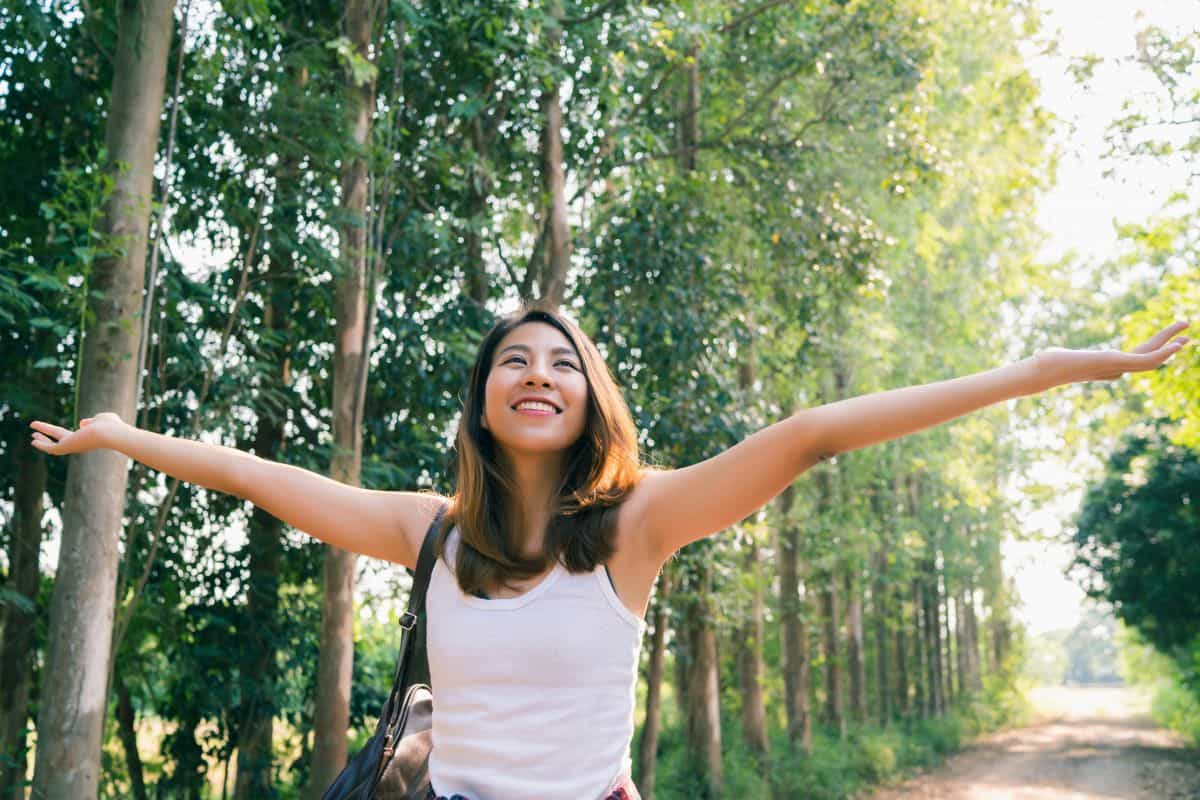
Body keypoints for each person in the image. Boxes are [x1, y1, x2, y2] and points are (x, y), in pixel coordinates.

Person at [29, 304, 1190, 800]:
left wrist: (1047, 368)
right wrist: (123, 435)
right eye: (515, 361)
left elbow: (812, 432)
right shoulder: (426, 530)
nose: (539, 373)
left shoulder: (637, 527)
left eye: (563, 361)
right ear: (484, 401)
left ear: (591, 400)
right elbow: (255, 477)